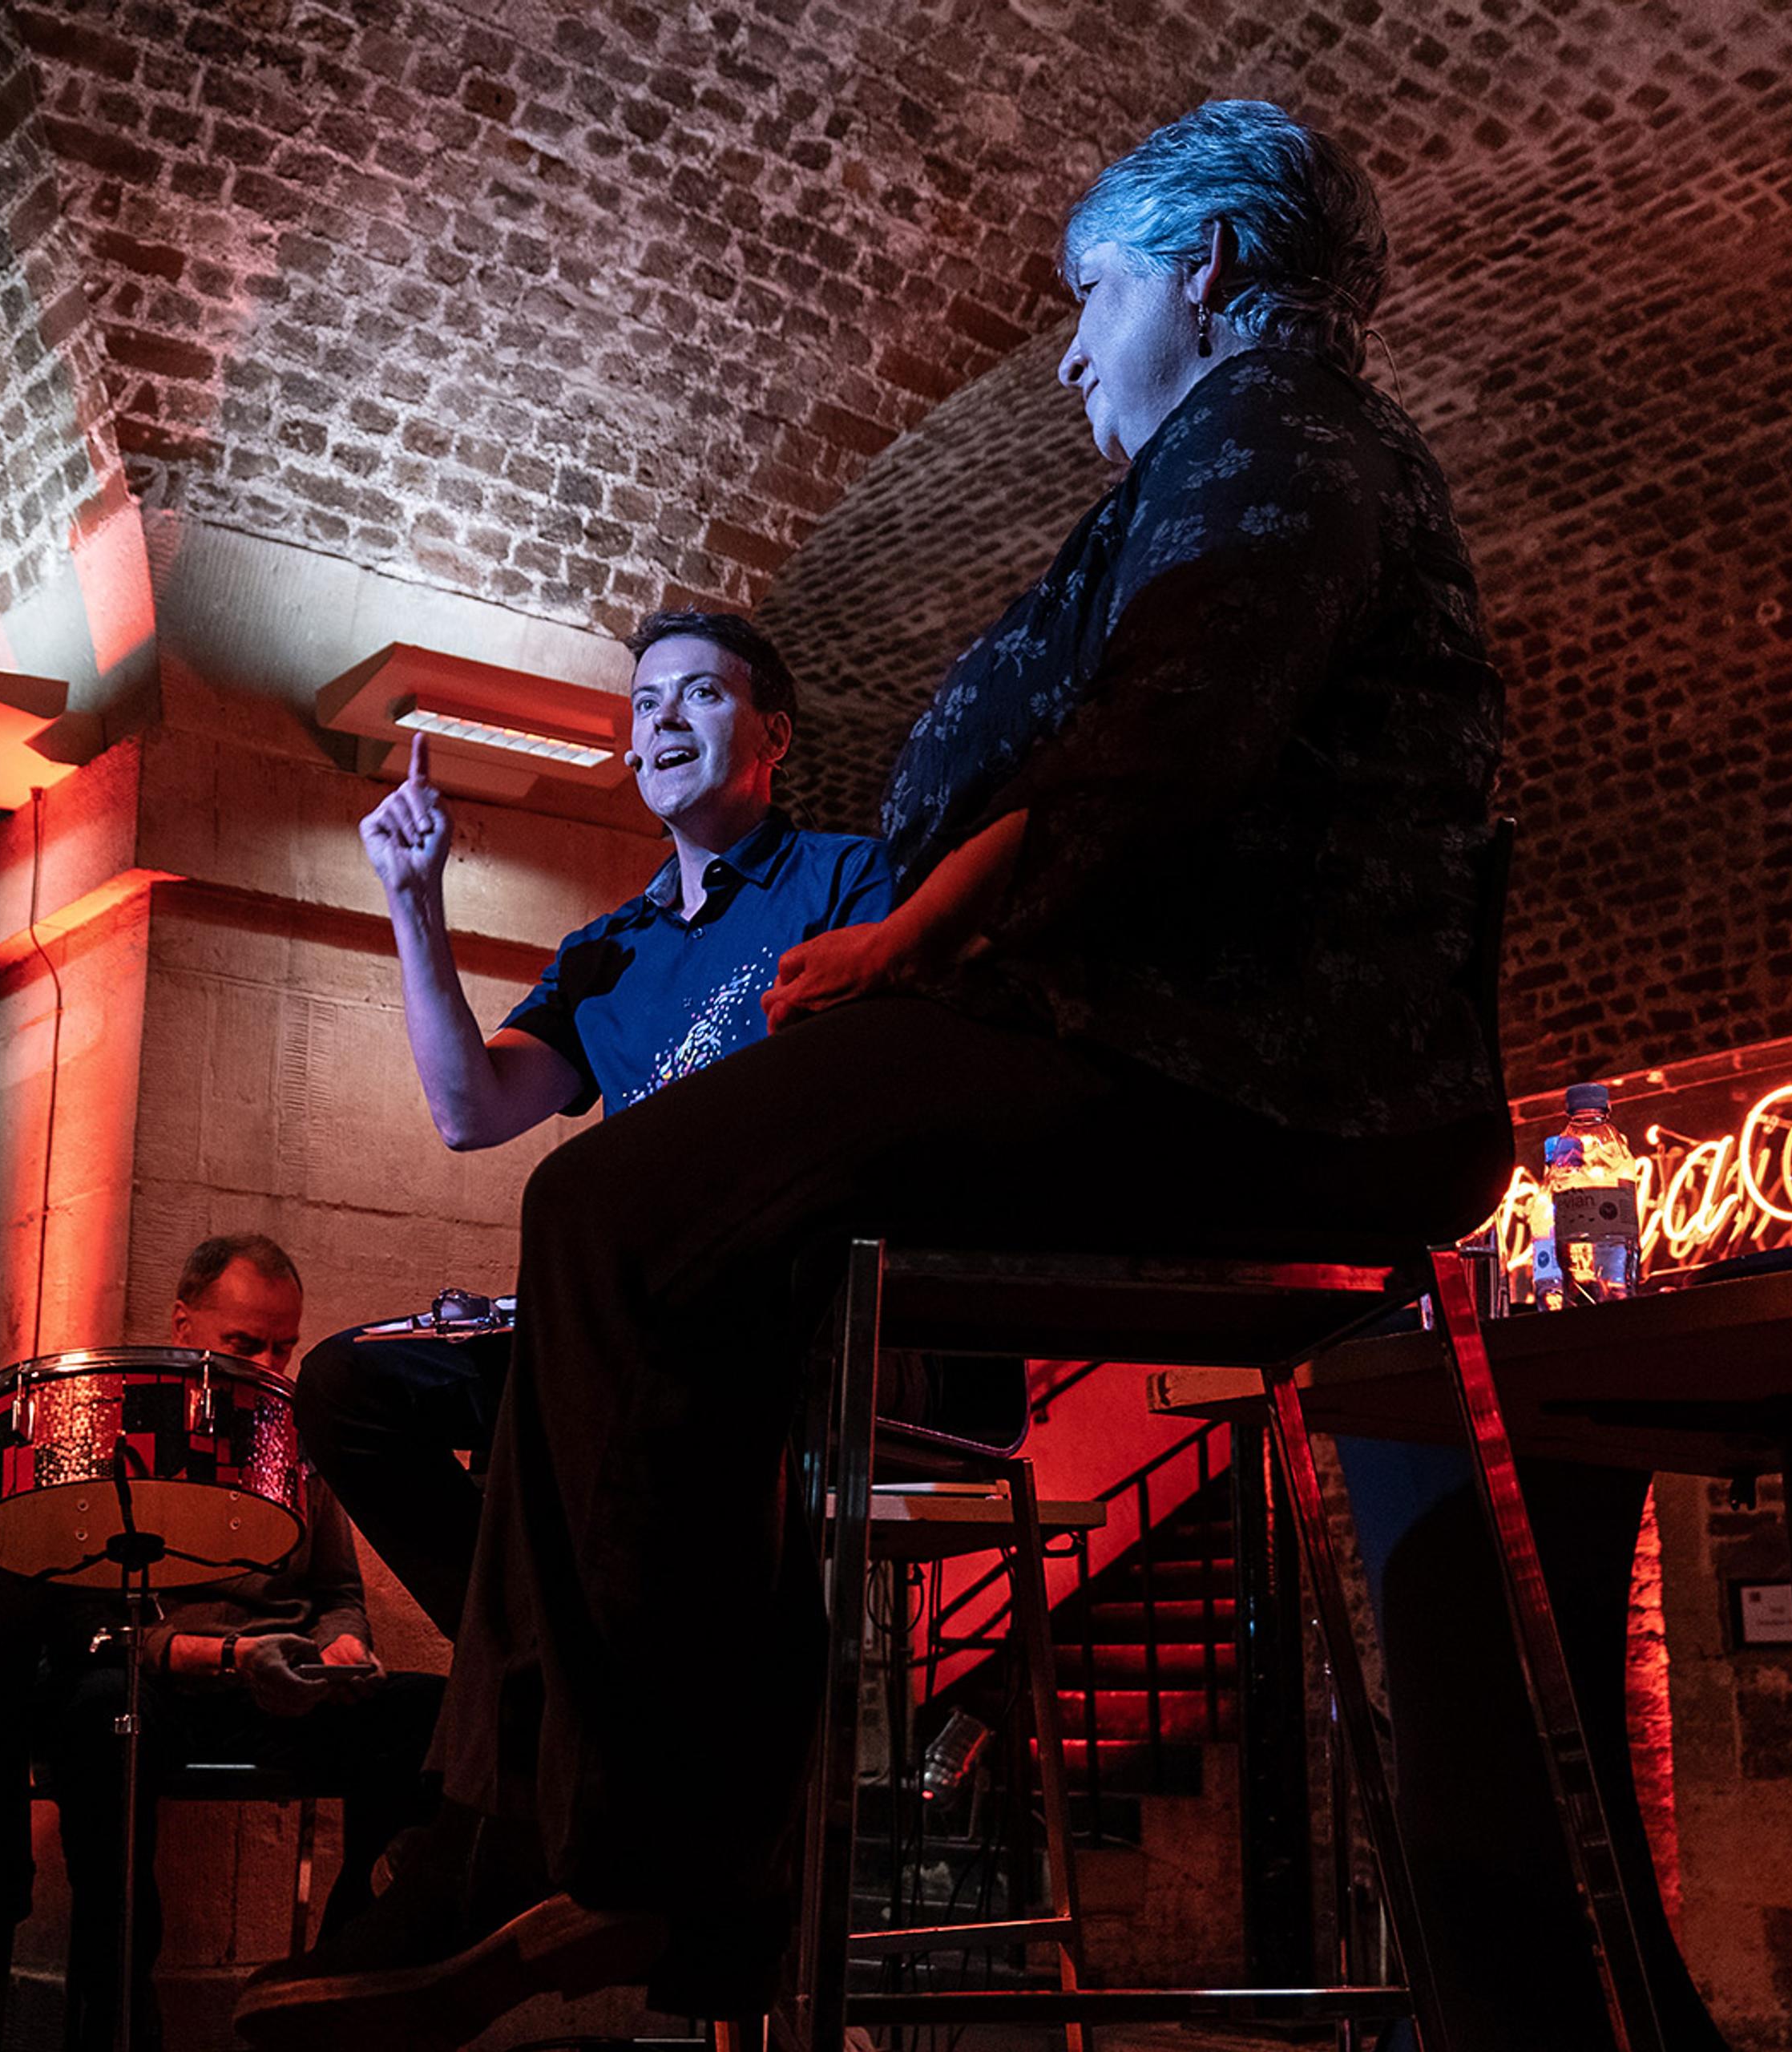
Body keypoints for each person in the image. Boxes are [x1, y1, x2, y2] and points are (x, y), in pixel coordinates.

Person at [239, 97, 1544, 2050]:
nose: (1067, 343)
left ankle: (601, 1849)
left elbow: (1159, 745)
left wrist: (906, 936)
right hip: (1185, 1050)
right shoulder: (1245, 446)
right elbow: (477, 1091)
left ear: (1201, 268)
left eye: (1088, 289)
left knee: (612, 1209)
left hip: (1248, 1073)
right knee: (612, 1263)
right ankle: (629, 1852)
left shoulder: (1276, 431)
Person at [289, 612, 902, 1643]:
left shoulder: (847, 878)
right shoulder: (606, 948)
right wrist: (413, 901)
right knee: (350, 1388)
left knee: (590, 1472)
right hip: (612, 1323)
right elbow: (470, 1109)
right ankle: (530, 1658)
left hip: (774, 1312)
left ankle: (552, 1685)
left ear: (773, 737)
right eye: (646, 702)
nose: (663, 719)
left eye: (701, 693)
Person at [42, 1233, 444, 2052]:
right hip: (166, 1680)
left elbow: (336, 1591)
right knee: (95, 1718)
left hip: (282, 1678)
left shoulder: (294, 1434)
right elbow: (100, 1620)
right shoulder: (116, 1427)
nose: (271, 1364)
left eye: (285, 1346)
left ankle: (343, 1971)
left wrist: (342, 1644)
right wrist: (225, 1657)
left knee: (436, 1716)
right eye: (246, 1343)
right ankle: (116, 2015)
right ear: (184, 1325)